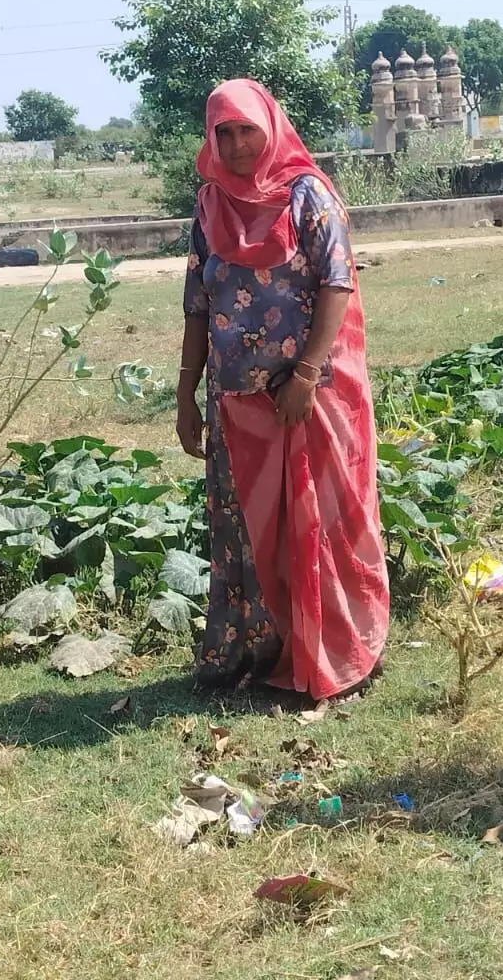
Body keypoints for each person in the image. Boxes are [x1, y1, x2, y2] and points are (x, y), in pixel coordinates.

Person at [177, 78, 390, 703]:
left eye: (248, 130)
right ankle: (257, 649)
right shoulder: (210, 205)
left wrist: (304, 376)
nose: (239, 145)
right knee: (246, 528)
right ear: (212, 139)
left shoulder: (308, 196)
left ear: (270, 128)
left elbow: (336, 284)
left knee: (322, 520)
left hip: (310, 398)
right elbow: (196, 304)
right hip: (237, 403)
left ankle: (336, 652)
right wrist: (186, 393)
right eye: (226, 133)